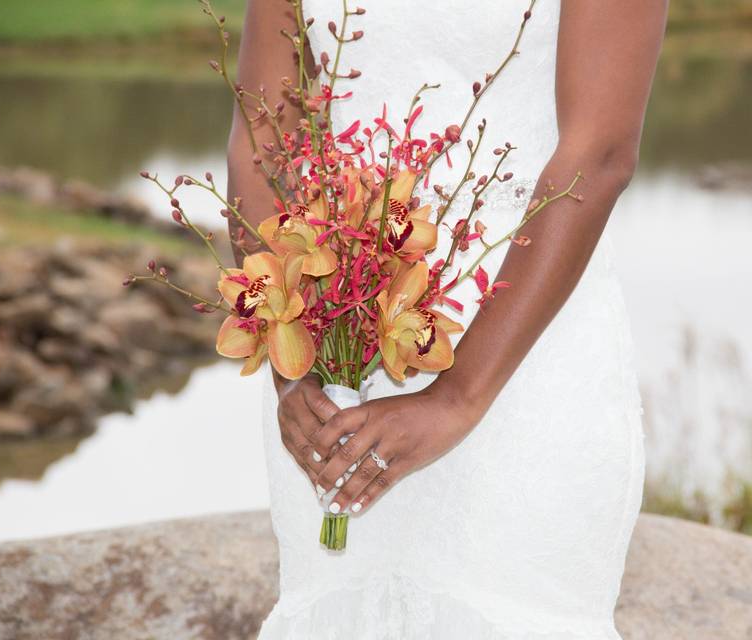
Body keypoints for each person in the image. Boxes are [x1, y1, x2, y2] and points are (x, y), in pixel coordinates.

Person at [226, 0, 667, 637]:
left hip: (524, 360)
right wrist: (295, 367)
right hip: (340, 357)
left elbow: (598, 156)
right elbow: (260, 142)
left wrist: (456, 398)